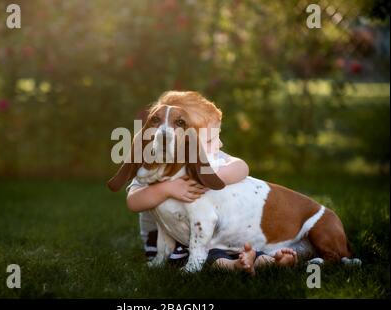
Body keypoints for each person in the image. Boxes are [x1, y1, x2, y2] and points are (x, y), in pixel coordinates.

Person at [126, 91, 297, 273]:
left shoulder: (210, 158)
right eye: (210, 139)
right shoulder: (151, 165)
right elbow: (133, 201)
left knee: (223, 248)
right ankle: (238, 265)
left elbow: (241, 167)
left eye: (217, 136)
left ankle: (261, 259)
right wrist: (167, 189)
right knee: (209, 257)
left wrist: (211, 179)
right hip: (171, 239)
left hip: (211, 235)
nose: (219, 144)